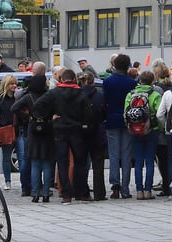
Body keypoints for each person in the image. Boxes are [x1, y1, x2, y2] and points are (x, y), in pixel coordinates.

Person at [36, 67, 94, 203]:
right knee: (80, 162)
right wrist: (84, 124)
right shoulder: (80, 93)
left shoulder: (54, 92)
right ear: (74, 79)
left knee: (62, 162)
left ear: (61, 79)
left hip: (60, 130)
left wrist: (49, 117)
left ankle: (66, 194)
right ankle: (81, 192)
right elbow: (89, 114)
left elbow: (38, 105)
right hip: (77, 130)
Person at [104, 53, 137, 199]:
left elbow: (105, 101)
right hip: (127, 120)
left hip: (111, 119)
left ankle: (115, 185)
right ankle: (125, 188)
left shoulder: (108, 82)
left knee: (113, 154)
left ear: (114, 65)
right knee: (126, 154)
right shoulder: (131, 83)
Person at [126, 70, 162, 200]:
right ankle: (148, 190)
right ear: (152, 81)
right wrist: (159, 127)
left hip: (135, 131)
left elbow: (126, 114)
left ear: (140, 80)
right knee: (150, 161)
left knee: (138, 162)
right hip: (152, 130)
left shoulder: (130, 94)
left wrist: (131, 127)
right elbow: (159, 114)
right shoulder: (155, 94)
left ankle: (139, 191)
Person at [25, 76, 55, 203]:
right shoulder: (50, 97)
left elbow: (14, 108)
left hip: (33, 134)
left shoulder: (29, 97)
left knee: (35, 165)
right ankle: (46, 194)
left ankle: (36, 194)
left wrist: (30, 116)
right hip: (48, 131)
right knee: (47, 165)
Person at [79, 71, 108, 201]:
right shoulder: (99, 95)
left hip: (81, 133)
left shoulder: (77, 95)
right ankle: (99, 193)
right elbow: (104, 114)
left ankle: (82, 192)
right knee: (98, 164)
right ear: (93, 82)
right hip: (97, 132)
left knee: (81, 164)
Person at [152, 60, 172, 197]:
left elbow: (159, 113)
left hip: (162, 130)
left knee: (162, 160)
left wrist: (163, 125)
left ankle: (167, 186)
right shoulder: (171, 86)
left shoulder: (157, 89)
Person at [0, 74, 19, 190]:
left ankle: (9, 180)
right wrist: (0, 123)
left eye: (15, 83)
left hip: (14, 128)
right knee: (1, 156)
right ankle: (6, 181)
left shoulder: (17, 97)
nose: (14, 86)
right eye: (11, 84)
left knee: (12, 156)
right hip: (3, 129)